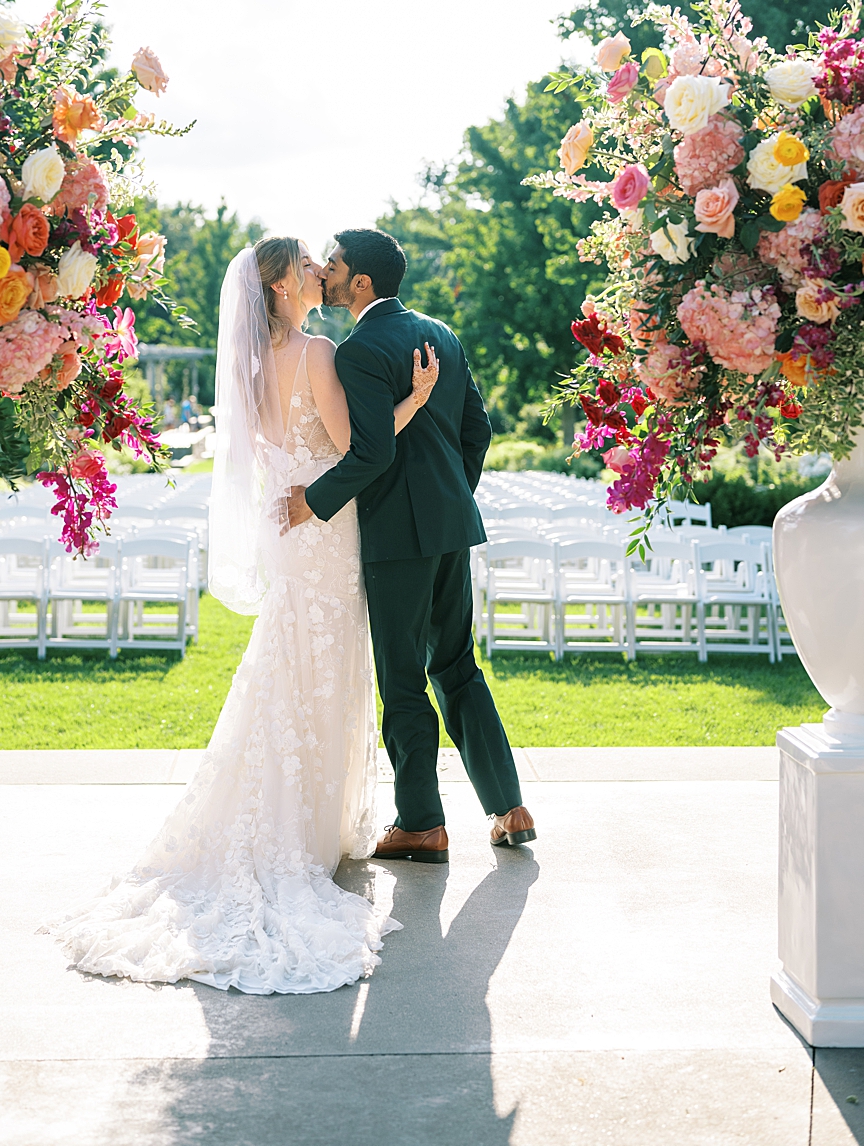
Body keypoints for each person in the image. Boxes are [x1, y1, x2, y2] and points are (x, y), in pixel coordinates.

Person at [45, 236, 438, 993]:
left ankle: (294, 816)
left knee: (289, 659)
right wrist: (415, 400)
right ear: (287, 285)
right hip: (324, 529)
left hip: (286, 524)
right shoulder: (318, 354)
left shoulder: (254, 366)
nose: (319, 274)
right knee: (323, 664)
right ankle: (308, 828)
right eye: (307, 268)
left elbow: (278, 451)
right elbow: (361, 446)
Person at [285, 227, 535, 860]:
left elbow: (371, 453)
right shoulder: (440, 334)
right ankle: (509, 807)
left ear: (360, 282)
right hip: (452, 527)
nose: (327, 272)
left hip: (399, 536)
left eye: (334, 264)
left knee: (402, 680)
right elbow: (476, 431)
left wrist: (309, 504)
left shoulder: (358, 350)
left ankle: (421, 822)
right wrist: (451, 496)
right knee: (457, 666)